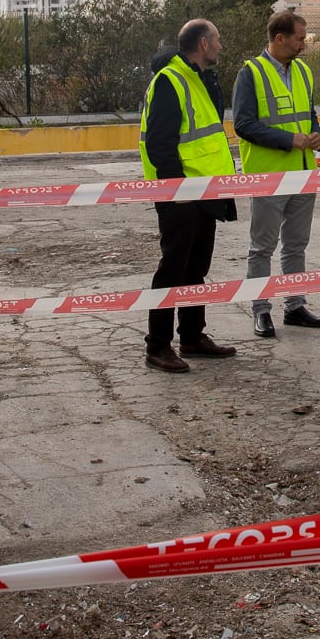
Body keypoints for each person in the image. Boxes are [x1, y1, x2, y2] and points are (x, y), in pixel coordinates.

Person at [138, 19, 239, 373]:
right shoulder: (170, 80)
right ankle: (158, 346)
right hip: (182, 193)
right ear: (202, 44)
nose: (221, 46)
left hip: (205, 190)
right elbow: (159, 142)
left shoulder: (198, 78)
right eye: (217, 39)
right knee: (172, 270)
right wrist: (174, 187)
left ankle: (192, 336)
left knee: (196, 269)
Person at [233, 10, 320, 338]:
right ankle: (261, 311)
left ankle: (295, 305)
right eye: (300, 39)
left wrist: (315, 135)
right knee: (262, 247)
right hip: (269, 176)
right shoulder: (251, 73)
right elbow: (244, 125)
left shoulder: (303, 71)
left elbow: (309, 113)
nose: (304, 44)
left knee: (296, 245)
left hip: (303, 174)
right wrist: (290, 140)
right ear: (280, 38)